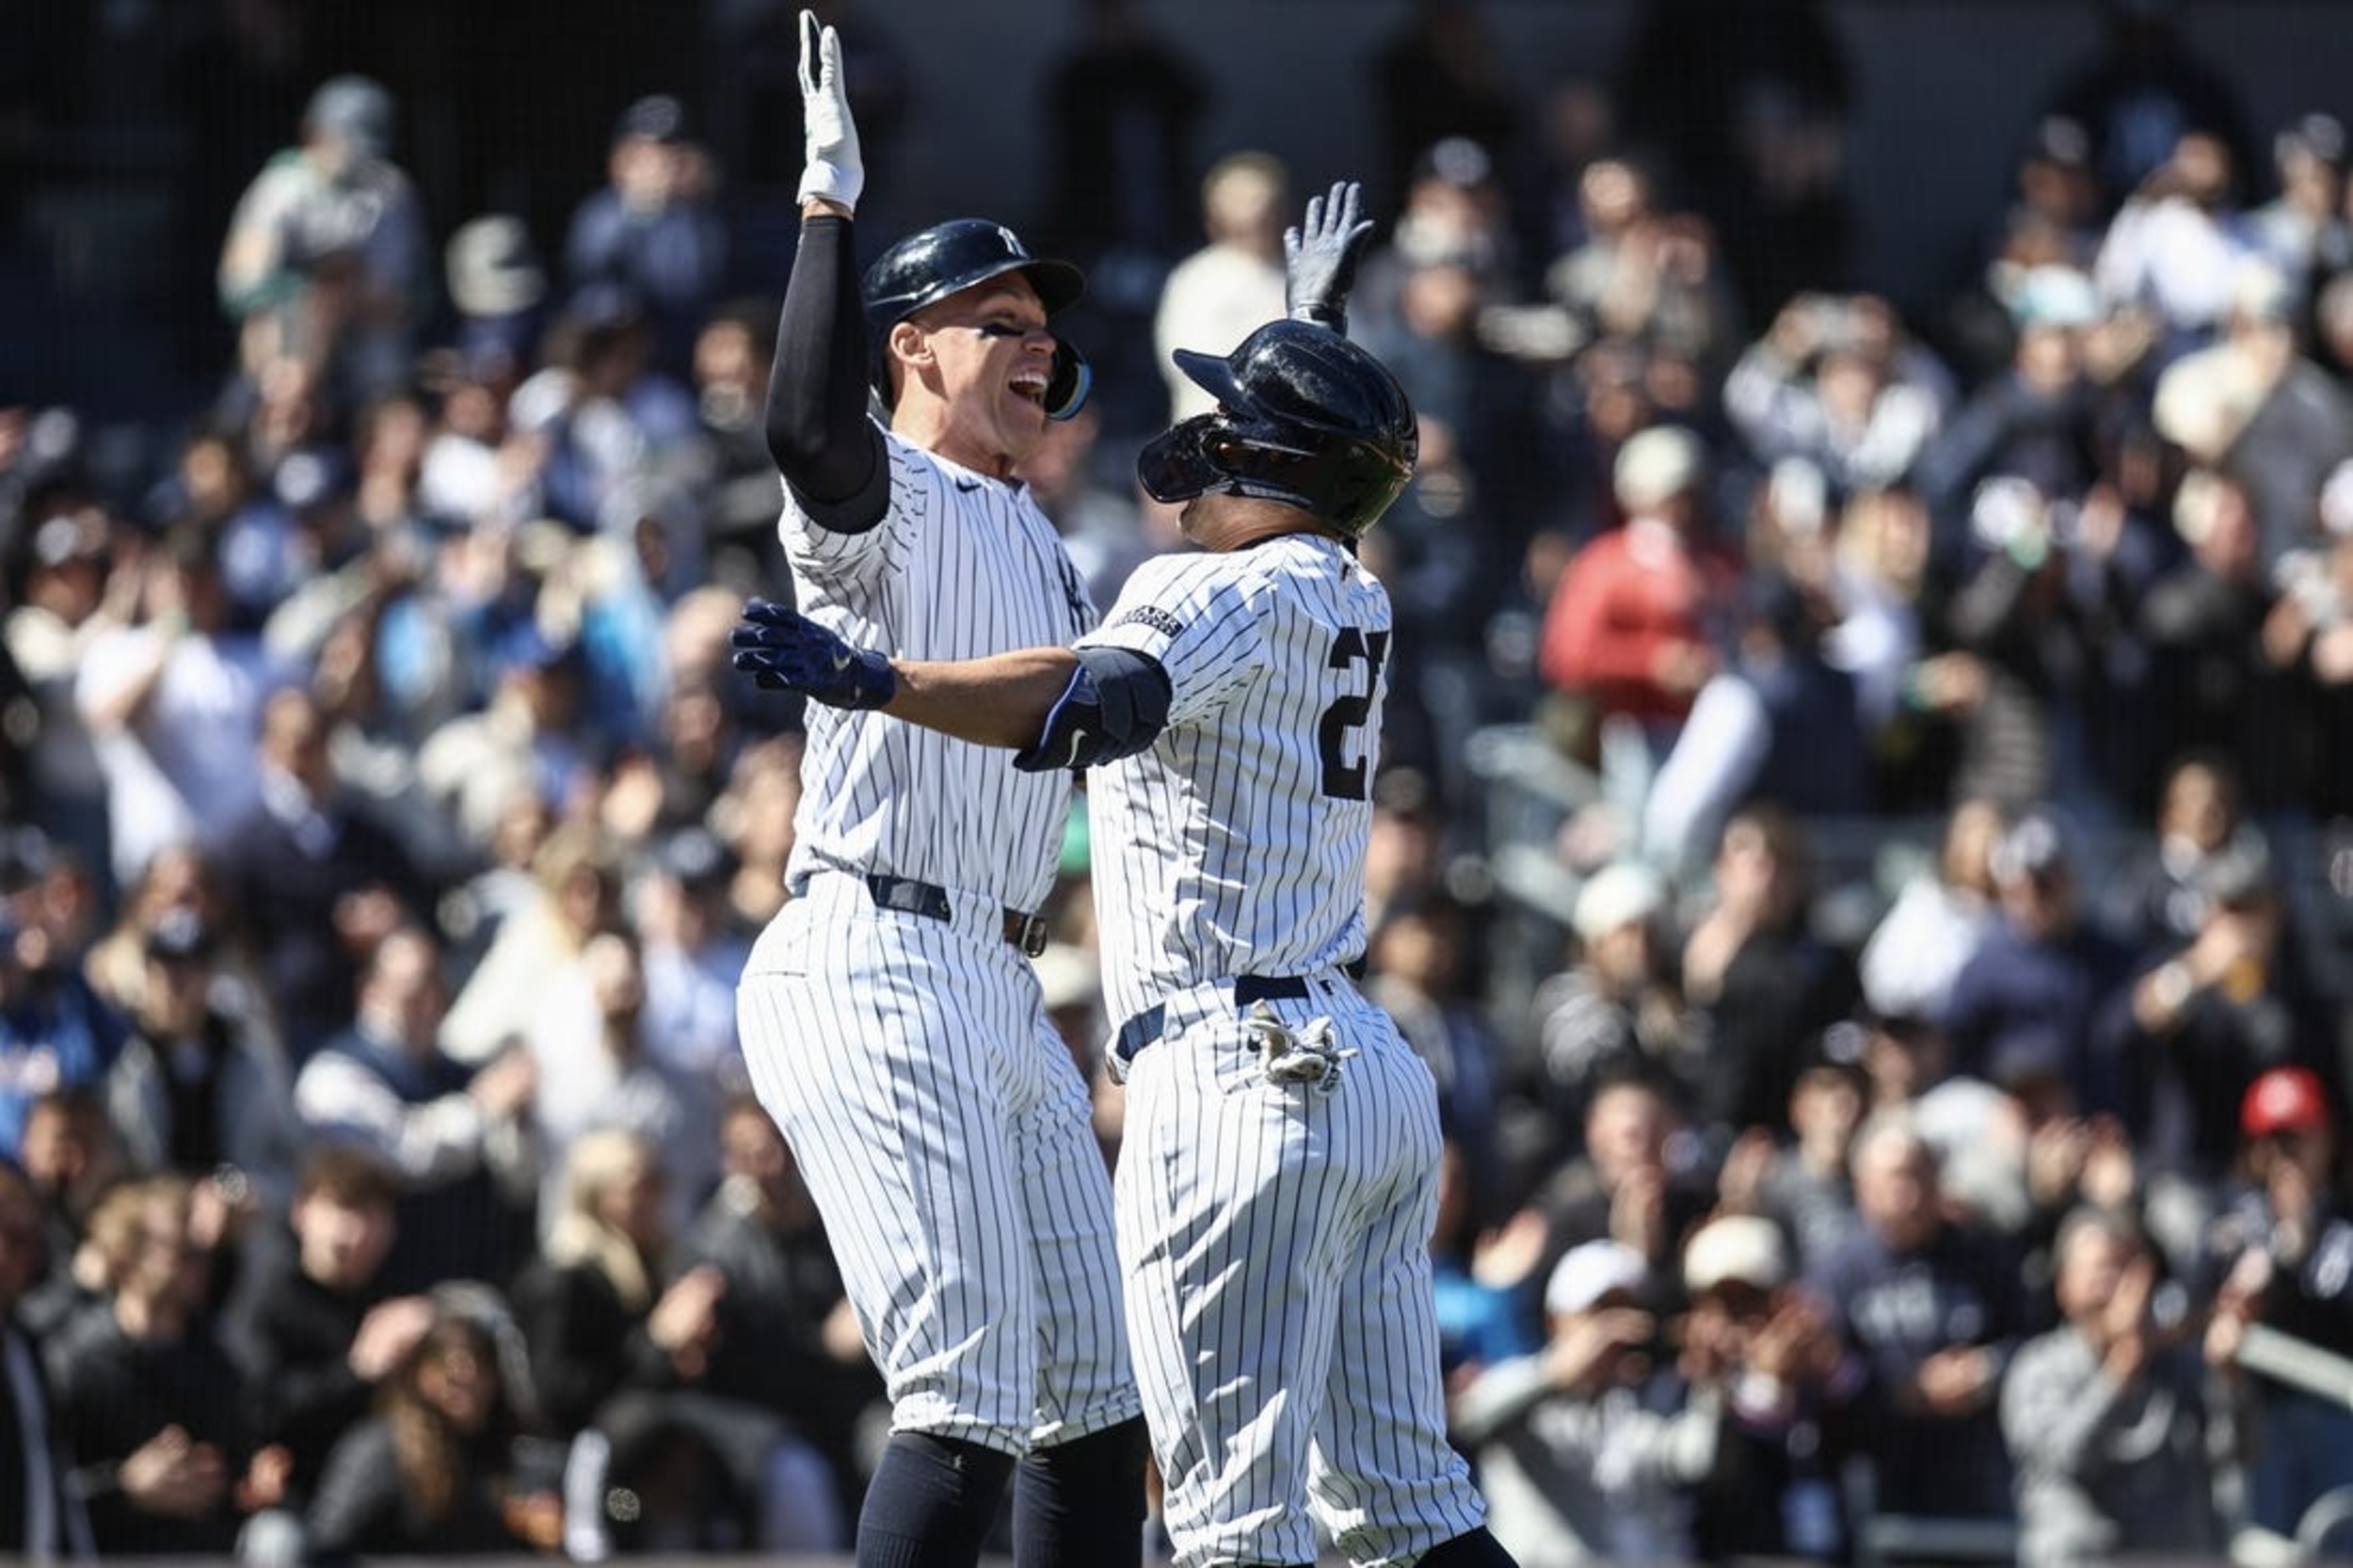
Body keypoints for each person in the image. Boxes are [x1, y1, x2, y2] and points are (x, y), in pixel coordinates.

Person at [733, 173, 1518, 1567]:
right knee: (1404, 1507)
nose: (1205, 433)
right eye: (1003, 319)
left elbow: (1098, 698)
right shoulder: (1350, 587)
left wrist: (878, 677)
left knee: (1211, 1516)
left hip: (1220, 1069)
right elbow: (814, 438)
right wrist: (1311, 347)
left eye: (1239, 420)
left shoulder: (1186, 587)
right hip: (1355, 1061)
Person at [729, 15, 1147, 1567]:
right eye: (1001, 321)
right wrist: (825, 214)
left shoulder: (1042, 531)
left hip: (994, 976)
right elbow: (802, 429)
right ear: (913, 346)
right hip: (873, 952)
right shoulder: (883, 496)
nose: (1040, 341)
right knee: (964, 1392)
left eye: (1045, 323)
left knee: (1099, 1402)